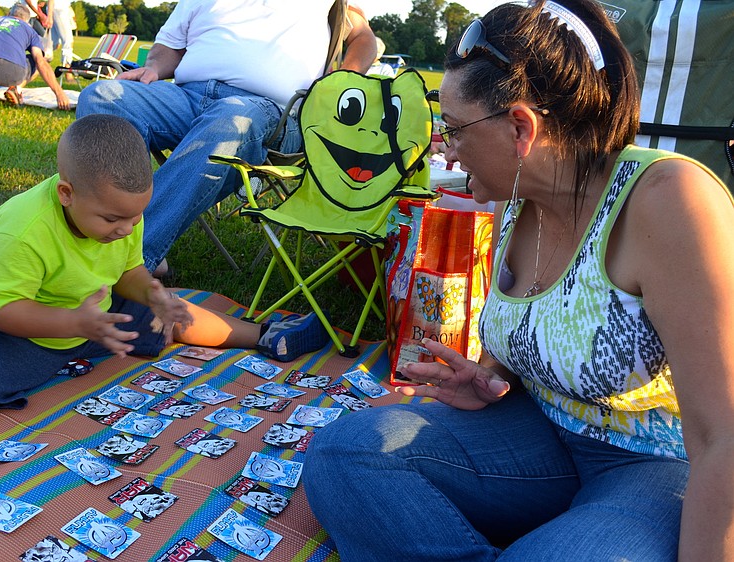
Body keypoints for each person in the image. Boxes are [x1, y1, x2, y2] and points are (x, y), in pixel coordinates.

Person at [304, 0, 734, 559]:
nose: (447, 152)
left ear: (520, 127)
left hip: (654, 469)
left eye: (455, 131)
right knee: (347, 454)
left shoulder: (667, 201)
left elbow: (722, 439)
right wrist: (487, 379)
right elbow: (550, 324)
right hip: (539, 439)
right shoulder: (518, 193)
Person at [0, 113, 326, 547]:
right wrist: (74, 322)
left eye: (135, 219)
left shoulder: (122, 215)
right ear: (66, 193)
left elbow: (127, 271)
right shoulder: (22, 228)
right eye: (113, 220)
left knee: (170, 315)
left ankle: (266, 334)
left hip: (91, 314)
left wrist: (150, 293)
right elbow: (1, 310)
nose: (126, 229)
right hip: (5, 326)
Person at [75, 0, 378, 276]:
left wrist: (340, 78)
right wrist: (154, 66)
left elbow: (364, 38)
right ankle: (109, 227)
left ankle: (130, 257)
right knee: (103, 96)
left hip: (270, 111)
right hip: (188, 97)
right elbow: (169, 46)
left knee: (231, 119)